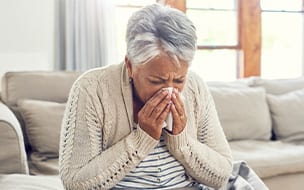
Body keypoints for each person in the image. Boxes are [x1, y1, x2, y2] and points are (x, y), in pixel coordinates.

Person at [59, 3, 267, 190]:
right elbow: (76, 182)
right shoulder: (92, 89)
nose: (169, 91)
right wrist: (142, 138)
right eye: (156, 81)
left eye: (178, 81)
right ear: (130, 66)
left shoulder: (195, 85)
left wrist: (181, 141)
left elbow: (221, 173)